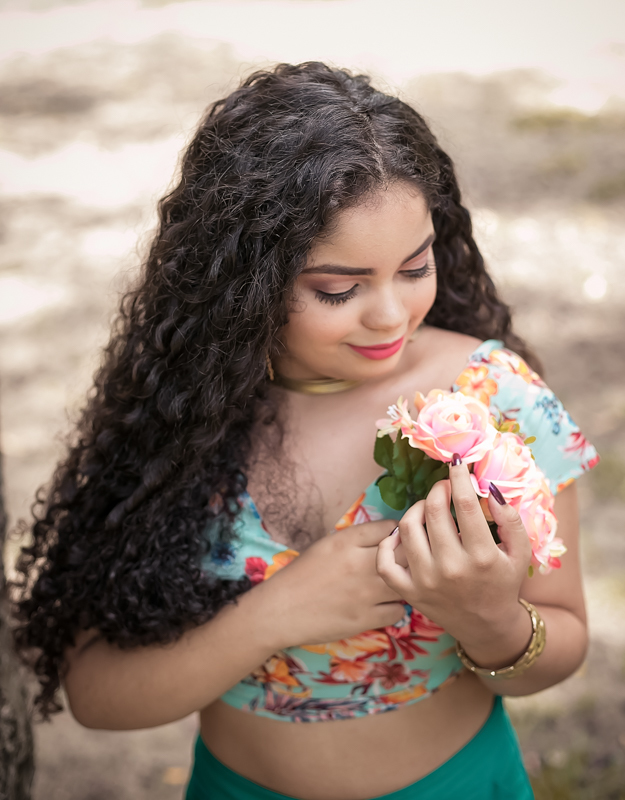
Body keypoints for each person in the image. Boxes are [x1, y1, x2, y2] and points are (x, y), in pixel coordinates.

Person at [14, 62, 598, 800]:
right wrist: (276, 614)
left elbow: (563, 646)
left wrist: (488, 619)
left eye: (414, 268)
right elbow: (96, 697)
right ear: (244, 282)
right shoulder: (179, 414)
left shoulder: (494, 397)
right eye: (338, 288)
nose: (390, 315)